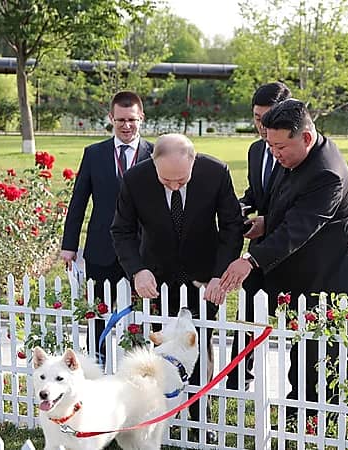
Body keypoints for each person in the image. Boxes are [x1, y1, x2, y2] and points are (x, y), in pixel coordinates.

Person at [219, 99, 348, 419]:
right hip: (302, 270)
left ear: (305, 137)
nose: (274, 153)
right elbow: (285, 207)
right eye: (269, 145)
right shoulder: (294, 157)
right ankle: (297, 411)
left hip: (333, 275)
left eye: (279, 146)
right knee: (302, 352)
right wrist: (264, 222)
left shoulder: (327, 174)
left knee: (321, 357)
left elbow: (298, 229)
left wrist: (250, 260)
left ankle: (322, 419)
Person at [111, 133, 244, 427]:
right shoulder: (135, 179)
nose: (173, 186)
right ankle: (158, 416)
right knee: (158, 349)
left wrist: (218, 276)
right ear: (153, 164)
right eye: (166, 180)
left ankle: (200, 418)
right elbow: (121, 230)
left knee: (198, 346)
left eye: (181, 180)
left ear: (193, 162)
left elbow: (232, 226)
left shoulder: (216, 173)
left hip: (204, 280)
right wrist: (137, 270)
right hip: (155, 279)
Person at [60, 91, 153, 359]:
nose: (126, 125)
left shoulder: (155, 153)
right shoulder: (94, 154)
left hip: (141, 249)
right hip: (101, 248)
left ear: (141, 118)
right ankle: (97, 362)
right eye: (120, 119)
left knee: (139, 313)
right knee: (98, 312)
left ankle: (137, 364)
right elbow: (79, 201)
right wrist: (69, 245)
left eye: (132, 120)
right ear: (111, 118)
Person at [228, 81, 291, 391]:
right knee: (246, 317)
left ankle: (299, 391)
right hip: (258, 248)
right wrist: (237, 207)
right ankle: (239, 379)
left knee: (296, 326)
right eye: (256, 118)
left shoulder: (296, 151)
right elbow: (256, 193)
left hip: (293, 249)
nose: (263, 127)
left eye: (269, 118)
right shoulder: (255, 150)